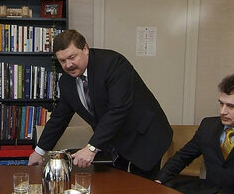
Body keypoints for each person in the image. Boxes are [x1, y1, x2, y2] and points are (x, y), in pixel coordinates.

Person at [28, 29, 172, 179]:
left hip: (145, 134)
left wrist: (91, 148)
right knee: (116, 188)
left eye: (72, 57)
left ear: (85, 48)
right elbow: (59, 118)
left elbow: (118, 109)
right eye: (62, 61)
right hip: (116, 140)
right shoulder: (66, 82)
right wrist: (39, 152)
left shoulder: (112, 63)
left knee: (142, 190)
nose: (68, 65)